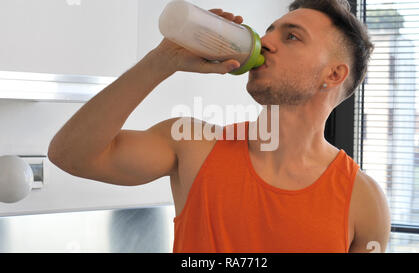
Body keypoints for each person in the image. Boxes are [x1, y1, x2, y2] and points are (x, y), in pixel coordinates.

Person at [48, 0, 390, 253]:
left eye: (292, 38)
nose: (267, 41)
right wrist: (161, 61)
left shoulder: (364, 200)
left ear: (333, 75)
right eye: (269, 30)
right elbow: (70, 155)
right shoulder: (192, 144)